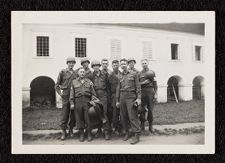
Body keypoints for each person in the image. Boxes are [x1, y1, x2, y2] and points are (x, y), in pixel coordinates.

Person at [116, 58, 142, 144]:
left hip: (131, 96)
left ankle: (136, 135)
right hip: (122, 96)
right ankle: (127, 133)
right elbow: (118, 88)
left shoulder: (134, 74)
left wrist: (138, 98)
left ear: (127, 64)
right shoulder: (119, 75)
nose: (123, 65)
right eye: (121, 64)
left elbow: (138, 87)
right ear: (120, 65)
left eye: (124, 64)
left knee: (132, 116)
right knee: (123, 116)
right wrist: (117, 100)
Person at [69, 67, 97, 142]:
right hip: (77, 101)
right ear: (78, 73)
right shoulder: (74, 82)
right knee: (79, 118)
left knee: (87, 118)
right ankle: (81, 134)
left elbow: (93, 93)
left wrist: (93, 101)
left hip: (87, 101)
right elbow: (72, 93)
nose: (82, 73)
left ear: (85, 73)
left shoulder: (89, 81)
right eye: (81, 72)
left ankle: (89, 134)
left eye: (83, 72)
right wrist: (72, 103)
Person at [55, 57, 76, 140]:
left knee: (73, 114)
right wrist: (61, 94)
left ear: (74, 64)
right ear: (67, 63)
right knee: (65, 114)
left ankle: (71, 129)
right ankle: (63, 131)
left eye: (73, 63)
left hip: (74, 96)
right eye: (69, 63)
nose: (71, 64)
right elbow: (56, 85)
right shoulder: (62, 72)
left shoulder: (75, 73)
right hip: (66, 96)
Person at [91, 60, 111, 140]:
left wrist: (108, 97)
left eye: (97, 66)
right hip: (95, 96)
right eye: (94, 66)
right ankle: (99, 130)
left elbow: (108, 86)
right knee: (97, 113)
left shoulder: (105, 74)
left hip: (104, 95)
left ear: (99, 66)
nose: (96, 67)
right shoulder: (91, 75)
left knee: (104, 113)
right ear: (92, 67)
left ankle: (106, 131)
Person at [139, 59, 158, 133]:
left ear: (148, 63)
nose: (144, 64)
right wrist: (143, 83)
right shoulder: (139, 73)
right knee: (141, 109)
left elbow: (155, 84)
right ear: (141, 64)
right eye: (143, 63)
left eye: (145, 63)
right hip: (142, 92)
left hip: (150, 91)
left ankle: (150, 126)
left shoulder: (152, 72)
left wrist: (155, 94)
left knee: (150, 109)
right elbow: (137, 84)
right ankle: (142, 125)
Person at [108, 59, 121, 135]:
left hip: (122, 95)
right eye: (114, 65)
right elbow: (108, 88)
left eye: (116, 65)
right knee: (115, 113)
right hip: (113, 96)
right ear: (112, 66)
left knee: (122, 112)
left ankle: (122, 127)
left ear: (118, 65)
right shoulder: (110, 76)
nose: (115, 66)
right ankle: (115, 128)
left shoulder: (121, 74)